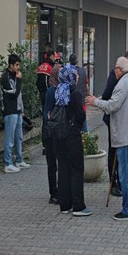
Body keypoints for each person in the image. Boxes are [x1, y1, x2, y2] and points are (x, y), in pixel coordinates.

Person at [87, 57, 128, 221]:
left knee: (125, 173)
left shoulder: (122, 84)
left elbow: (112, 105)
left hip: (125, 135)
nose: (114, 71)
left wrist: (95, 101)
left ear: (120, 69)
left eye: (115, 68)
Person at [52, 65, 90, 216]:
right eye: (75, 75)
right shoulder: (75, 94)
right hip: (72, 136)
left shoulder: (57, 91)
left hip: (58, 136)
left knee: (63, 169)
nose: (78, 77)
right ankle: (78, 206)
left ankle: (65, 205)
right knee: (76, 170)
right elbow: (80, 116)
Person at [102, 49, 128, 196]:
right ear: (126, 61)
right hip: (114, 119)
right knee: (115, 150)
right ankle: (113, 182)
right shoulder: (116, 76)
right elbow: (106, 97)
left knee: (123, 153)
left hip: (126, 121)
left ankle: (121, 181)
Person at [1, 54, 29, 173]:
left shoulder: (15, 76)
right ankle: (8, 163)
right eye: (16, 65)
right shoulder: (6, 78)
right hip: (10, 111)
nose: (18, 67)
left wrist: (22, 110)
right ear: (10, 65)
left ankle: (19, 160)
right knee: (10, 138)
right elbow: (14, 94)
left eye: (19, 65)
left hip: (17, 111)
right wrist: (19, 80)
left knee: (18, 137)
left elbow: (19, 96)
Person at [42, 64, 61, 205]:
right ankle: (53, 193)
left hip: (54, 130)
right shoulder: (52, 91)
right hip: (51, 131)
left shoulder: (57, 89)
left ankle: (57, 191)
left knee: (56, 164)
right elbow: (46, 113)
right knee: (52, 165)